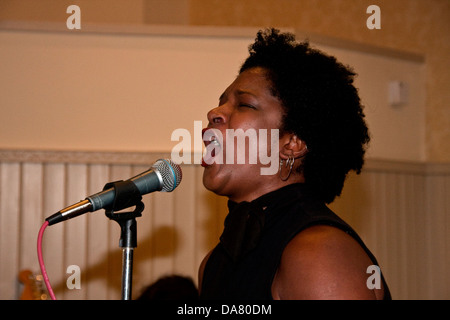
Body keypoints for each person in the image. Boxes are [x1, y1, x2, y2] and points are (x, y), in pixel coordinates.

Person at [198, 28, 391, 300]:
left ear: (292, 144)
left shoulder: (318, 254)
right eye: (221, 103)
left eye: (244, 105)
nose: (214, 113)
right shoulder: (213, 264)